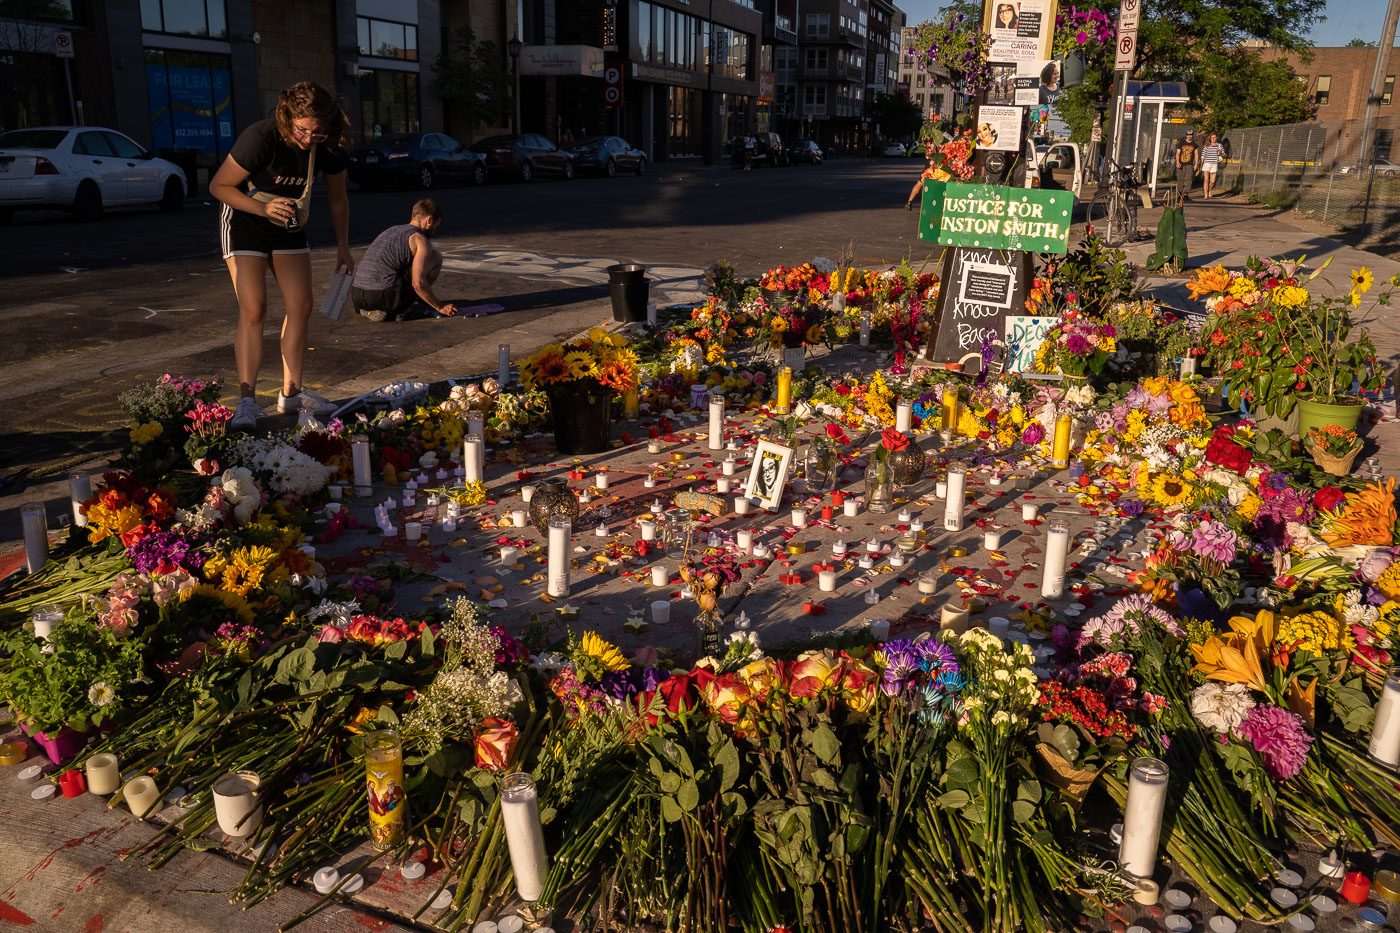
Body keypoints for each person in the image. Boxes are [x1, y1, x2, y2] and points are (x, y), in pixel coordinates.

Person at [211, 81, 354, 430]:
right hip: (245, 220)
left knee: (301, 305)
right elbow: (219, 186)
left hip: (287, 222)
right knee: (254, 308)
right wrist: (263, 209)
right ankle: (247, 401)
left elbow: (338, 198)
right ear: (288, 117)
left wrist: (344, 246)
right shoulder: (261, 136)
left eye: (316, 132)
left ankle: (292, 393)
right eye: (302, 130)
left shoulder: (329, 145)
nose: (308, 139)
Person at [350, 199, 459, 322]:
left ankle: (367, 309)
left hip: (357, 295)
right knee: (435, 257)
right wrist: (440, 307)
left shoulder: (391, 230)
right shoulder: (420, 239)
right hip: (382, 295)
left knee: (396, 268)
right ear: (429, 220)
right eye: (435, 226)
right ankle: (404, 308)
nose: (434, 231)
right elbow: (418, 283)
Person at [1174, 129, 1201, 202]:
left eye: (1191, 135)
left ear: (1192, 135)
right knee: (1180, 179)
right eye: (1188, 135)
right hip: (1181, 163)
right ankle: (1180, 194)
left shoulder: (1194, 145)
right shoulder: (1181, 143)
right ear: (1186, 135)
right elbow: (1178, 153)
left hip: (1189, 164)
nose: (1189, 136)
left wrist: (1196, 164)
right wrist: (1177, 162)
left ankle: (1186, 194)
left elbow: (1196, 154)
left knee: (1189, 179)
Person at [1200, 132, 1225, 199]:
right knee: (1206, 180)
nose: (1213, 139)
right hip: (1207, 163)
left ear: (1216, 138)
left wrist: (1220, 154)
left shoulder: (1219, 146)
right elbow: (1203, 156)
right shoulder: (1207, 145)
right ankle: (1206, 195)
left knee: (1213, 181)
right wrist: (1201, 164)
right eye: (1212, 138)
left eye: (1214, 137)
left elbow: (1224, 155)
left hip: (1214, 164)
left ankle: (1210, 190)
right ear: (1210, 138)